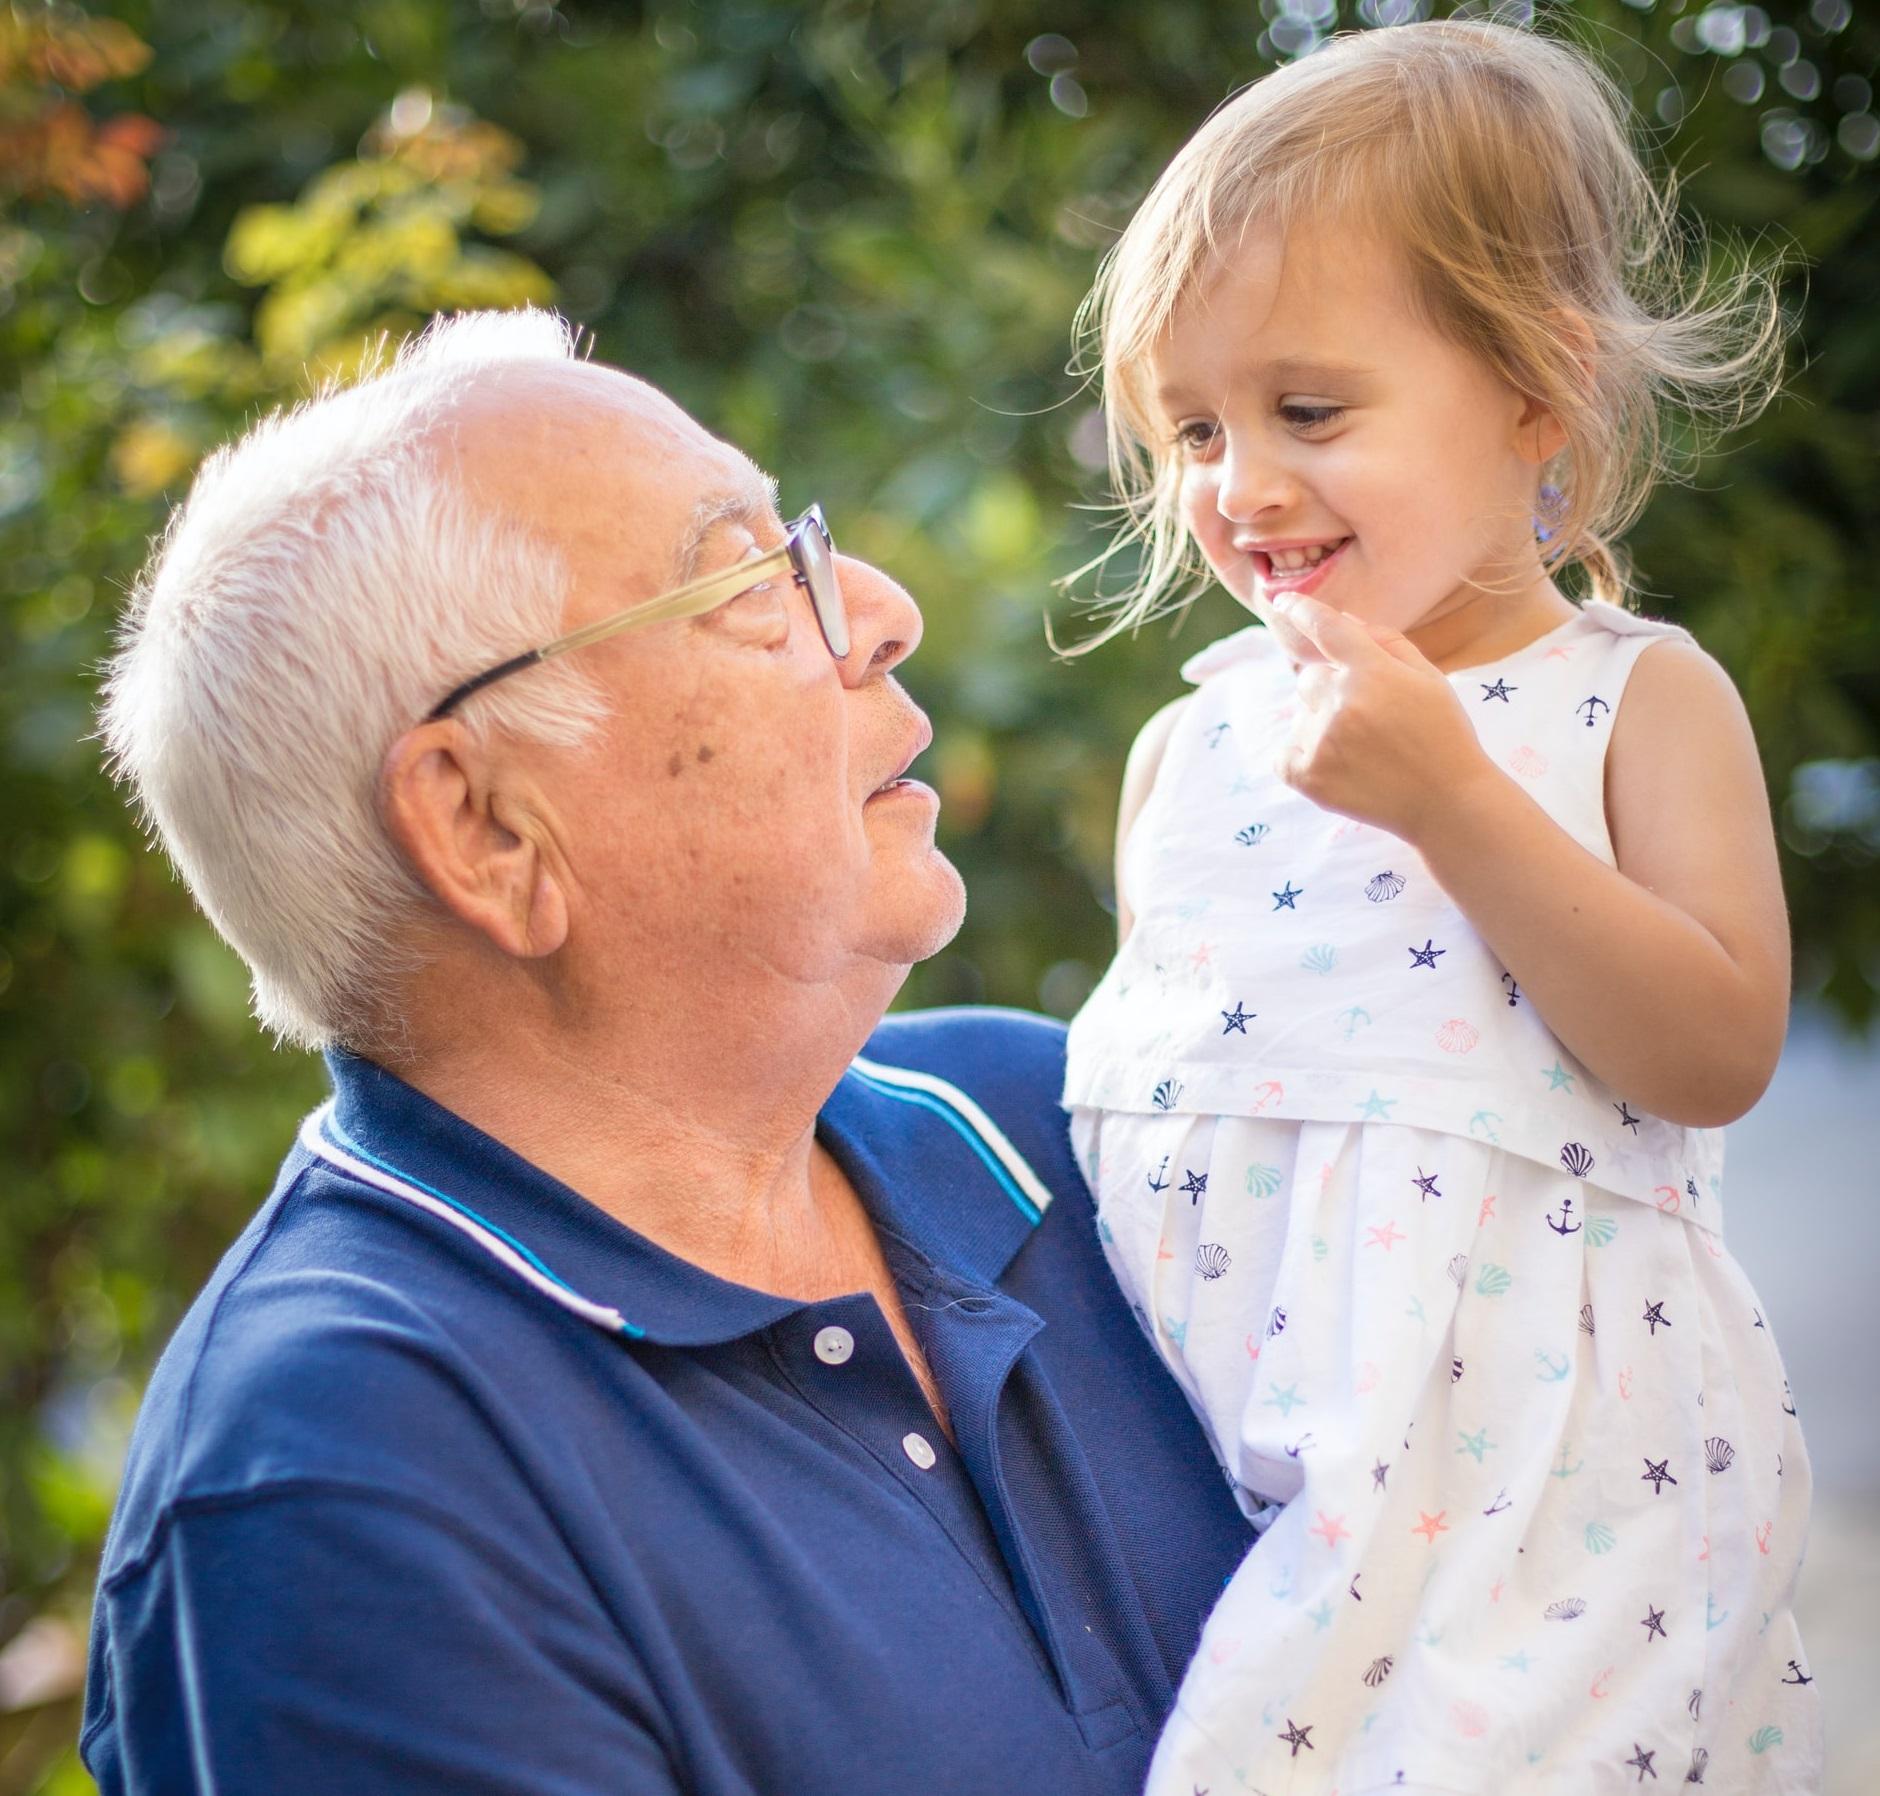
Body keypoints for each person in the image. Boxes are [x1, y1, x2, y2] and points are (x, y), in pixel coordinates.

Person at [79, 310, 1253, 1793]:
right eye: (751, 585)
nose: (880, 610)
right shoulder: (340, 1475)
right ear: (487, 827)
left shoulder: (1055, 1120)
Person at [1060, 20, 1819, 1793]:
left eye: (1309, 410)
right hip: (1229, 1490)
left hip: (1541, 1510)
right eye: (1194, 427)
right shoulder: (1192, 748)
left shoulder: (1631, 702)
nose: (1241, 485)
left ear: (1537, 390)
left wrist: (1458, 805)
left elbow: (1711, 1051)